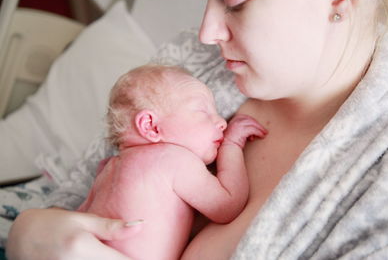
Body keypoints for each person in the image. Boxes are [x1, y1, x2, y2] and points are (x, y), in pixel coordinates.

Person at [6, 0, 388, 259]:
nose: (206, 31)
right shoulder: (195, 64)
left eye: (234, 2)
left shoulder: (385, 183)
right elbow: (80, 192)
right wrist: (31, 232)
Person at [75, 64, 266, 259]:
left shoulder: (107, 170)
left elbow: (78, 220)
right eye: (203, 112)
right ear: (151, 126)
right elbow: (227, 206)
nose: (222, 122)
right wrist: (231, 145)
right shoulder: (172, 159)